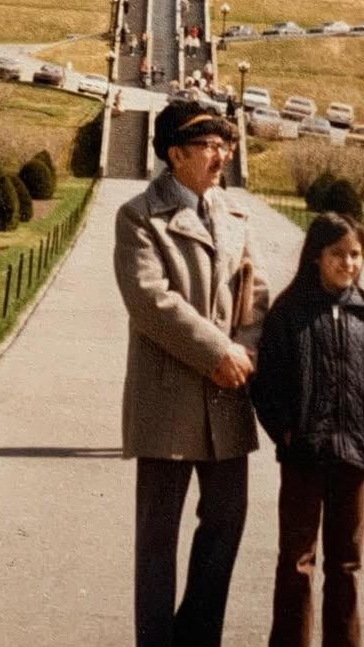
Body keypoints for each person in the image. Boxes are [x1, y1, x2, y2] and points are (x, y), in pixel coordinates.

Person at [114, 100, 269, 647]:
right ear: (175, 153)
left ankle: (198, 637)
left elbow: (257, 295)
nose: (222, 154)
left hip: (230, 396)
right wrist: (217, 353)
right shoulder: (139, 215)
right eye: (209, 145)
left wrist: (244, 350)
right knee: (158, 535)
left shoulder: (235, 214)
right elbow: (150, 302)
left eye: (225, 145)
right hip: (168, 400)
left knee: (226, 522)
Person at [249, 214, 364, 647]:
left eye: (355, 254)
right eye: (337, 254)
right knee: (296, 564)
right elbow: (267, 382)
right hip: (304, 455)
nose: (348, 263)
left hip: (353, 457)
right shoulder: (290, 311)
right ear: (316, 256)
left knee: (345, 565)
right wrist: (284, 429)